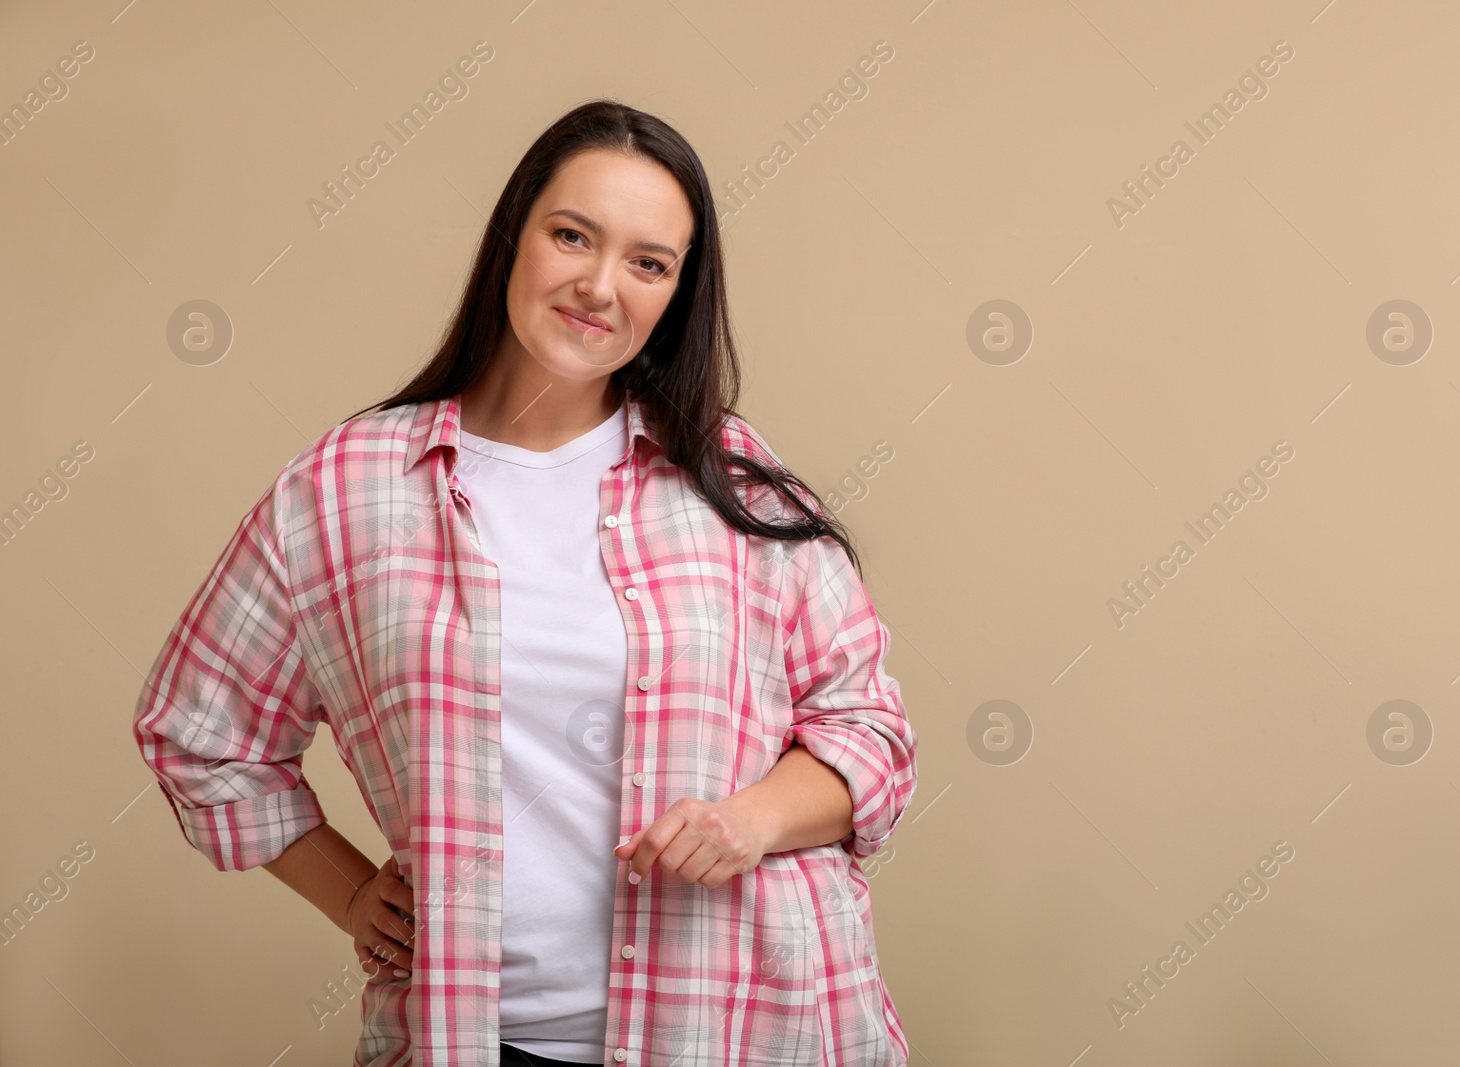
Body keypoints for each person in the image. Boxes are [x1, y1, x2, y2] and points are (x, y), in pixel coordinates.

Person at [131, 99, 918, 1067]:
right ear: (514, 236)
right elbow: (200, 731)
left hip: (749, 1027)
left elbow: (869, 731)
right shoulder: (345, 491)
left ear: (676, 293)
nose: (598, 286)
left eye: (647, 262)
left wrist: (746, 819)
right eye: (572, 235)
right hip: (478, 1038)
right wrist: (346, 889)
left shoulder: (730, 479)